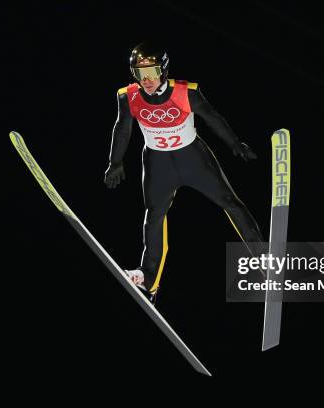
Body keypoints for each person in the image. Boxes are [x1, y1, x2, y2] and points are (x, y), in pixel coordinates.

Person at [105, 41, 263, 302]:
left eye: (152, 73)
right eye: (140, 74)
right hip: (158, 163)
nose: (147, 80)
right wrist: (115, 162)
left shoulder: (186, 92)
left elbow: (212, 117)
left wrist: (235, 143)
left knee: (230, 202)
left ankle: (263, 259)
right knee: (154, 216)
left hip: (193, 158)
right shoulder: (128, 95)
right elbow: (122, 128)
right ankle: (147, 279)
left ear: (163, 70)